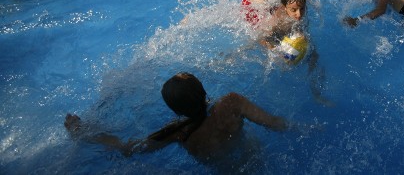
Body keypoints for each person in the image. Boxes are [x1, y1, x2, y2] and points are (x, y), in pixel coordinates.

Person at [64, 73, 288, 162]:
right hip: (256, 158)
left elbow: (128, 148)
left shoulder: (178, 133)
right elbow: (276, 124)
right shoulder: (231, 103)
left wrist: (83, 131)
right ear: (202, 89)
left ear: (176, 111)